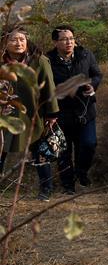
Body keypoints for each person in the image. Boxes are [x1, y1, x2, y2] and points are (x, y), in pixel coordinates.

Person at [0, 26, 59, 201]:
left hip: (33, 113)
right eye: (13, 40)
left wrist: (52, 113)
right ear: (4, 42)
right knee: (1, 149)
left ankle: (46, 189)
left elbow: (50, 87)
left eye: (22, 39)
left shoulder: (39, 61)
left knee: (39, 150)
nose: (18, 43)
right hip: (6, 113)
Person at [46, 25, 102, 194]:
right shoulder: (48, 60)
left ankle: (82, 172)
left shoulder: (85, 55)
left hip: (85, 110)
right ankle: (68, 185)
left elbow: (97, 74)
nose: (69, 42)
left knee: (88, 143)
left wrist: (92, 86)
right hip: (60, 112)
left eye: (71, 38)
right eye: (64, 39)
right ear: (55, 42)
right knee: (63, 150)